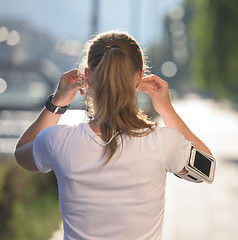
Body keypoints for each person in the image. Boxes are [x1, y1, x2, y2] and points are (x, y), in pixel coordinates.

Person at [14, 30, 214, 240]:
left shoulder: (58, 140)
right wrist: (166, 109)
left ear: (88, 77)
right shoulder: (162, 142)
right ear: (139, 77)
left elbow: (22, 153)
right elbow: (205, 168)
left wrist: (57, 103)